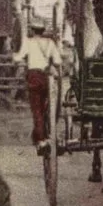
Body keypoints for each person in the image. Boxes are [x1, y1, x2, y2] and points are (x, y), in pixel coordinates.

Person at [20, 22, 60, 154]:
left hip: (33, 77)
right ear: (43, 31)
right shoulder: (50, 43)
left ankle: (41, 139)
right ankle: (44, 134)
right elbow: (58, 61)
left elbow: (19, 57)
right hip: (45, 77)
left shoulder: (28, 42)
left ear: (33, 30)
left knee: (36, 109)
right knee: (45, 108)